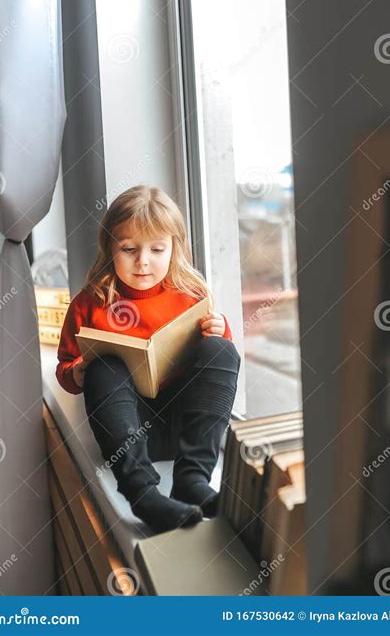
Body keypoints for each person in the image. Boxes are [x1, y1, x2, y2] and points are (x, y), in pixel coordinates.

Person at [56, 185, 241, 533]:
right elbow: (65, 369)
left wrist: (220, 330)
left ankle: (192, 479)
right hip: (126, 430)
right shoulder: (89, 303)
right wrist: (78, 372)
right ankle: (143, 495)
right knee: (105, 367)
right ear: (109, 247)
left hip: (184, 428)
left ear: (174, 248)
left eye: (157, 249)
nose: (143, 260)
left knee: (221, 349)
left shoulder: (190, 294)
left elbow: (217, 371)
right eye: (129, 249)